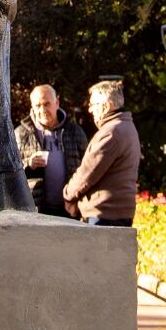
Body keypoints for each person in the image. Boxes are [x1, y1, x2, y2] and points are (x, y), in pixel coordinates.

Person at [63, 81, 141, 226]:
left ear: (105, 106)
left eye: (93, 105)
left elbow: (88, 173)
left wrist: (68, 195)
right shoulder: (128, 127)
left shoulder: (111, 132)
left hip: (103, 213)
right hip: (119, 211)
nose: (90, 110)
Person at [14, 84, 88, 216]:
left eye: (46, 104)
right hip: (35, 210)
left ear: (57, 102)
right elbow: (10, 173)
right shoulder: (20, 134)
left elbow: (87, 168)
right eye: (37, 106)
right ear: (32, 107)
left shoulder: (75, 132)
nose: (42, 110)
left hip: (70, 210)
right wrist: (28, 164)